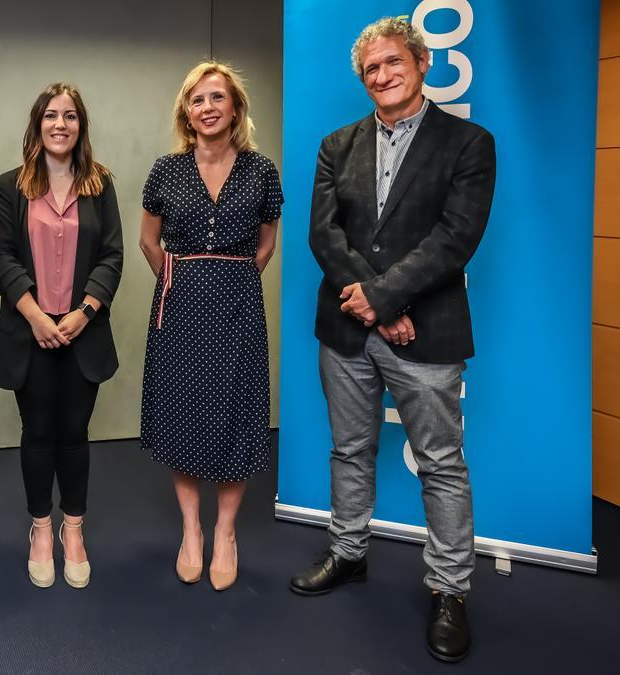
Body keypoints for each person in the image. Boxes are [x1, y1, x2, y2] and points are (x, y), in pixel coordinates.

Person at [287, 18, 495, 664]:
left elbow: (456, 237)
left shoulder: (468, 143)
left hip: (426, 332)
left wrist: (385, 298)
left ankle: (449, 589)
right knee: (350, 449)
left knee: (441, 463)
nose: (381, 75)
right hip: (347, 330)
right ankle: (348, 552)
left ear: (422, 62)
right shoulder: (336, 145)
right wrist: (374, 304)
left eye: (391, 62)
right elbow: (325, 235)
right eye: (370, 69)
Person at [138, 62, 282, 592]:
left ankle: (225, 533)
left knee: (238, 413)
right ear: (187, 112)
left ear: (235, 108)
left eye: (217, 97)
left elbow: (266, 242)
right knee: (184, 412)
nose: (208, 108)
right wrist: (182, 281)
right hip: (179, 307)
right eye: (197, 100)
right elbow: (149, 241)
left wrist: (231, 281)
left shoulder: (262, 170)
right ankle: (191, 531)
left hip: (239, 303)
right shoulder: (165, 170)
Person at [0, 83, 123, 589]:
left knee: (75, 434)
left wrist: (84, 311)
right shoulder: (10, 186)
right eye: (51, 115)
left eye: (70, 116)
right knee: (38, 434)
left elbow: (112, 255)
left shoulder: (101, 185)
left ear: (80, 125)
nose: (60, 124)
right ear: (37, 124)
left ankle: (74, 530)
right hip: (32, 334)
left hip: (82, 333)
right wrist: (35, 315)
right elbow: (0, 256)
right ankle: (41, 530)